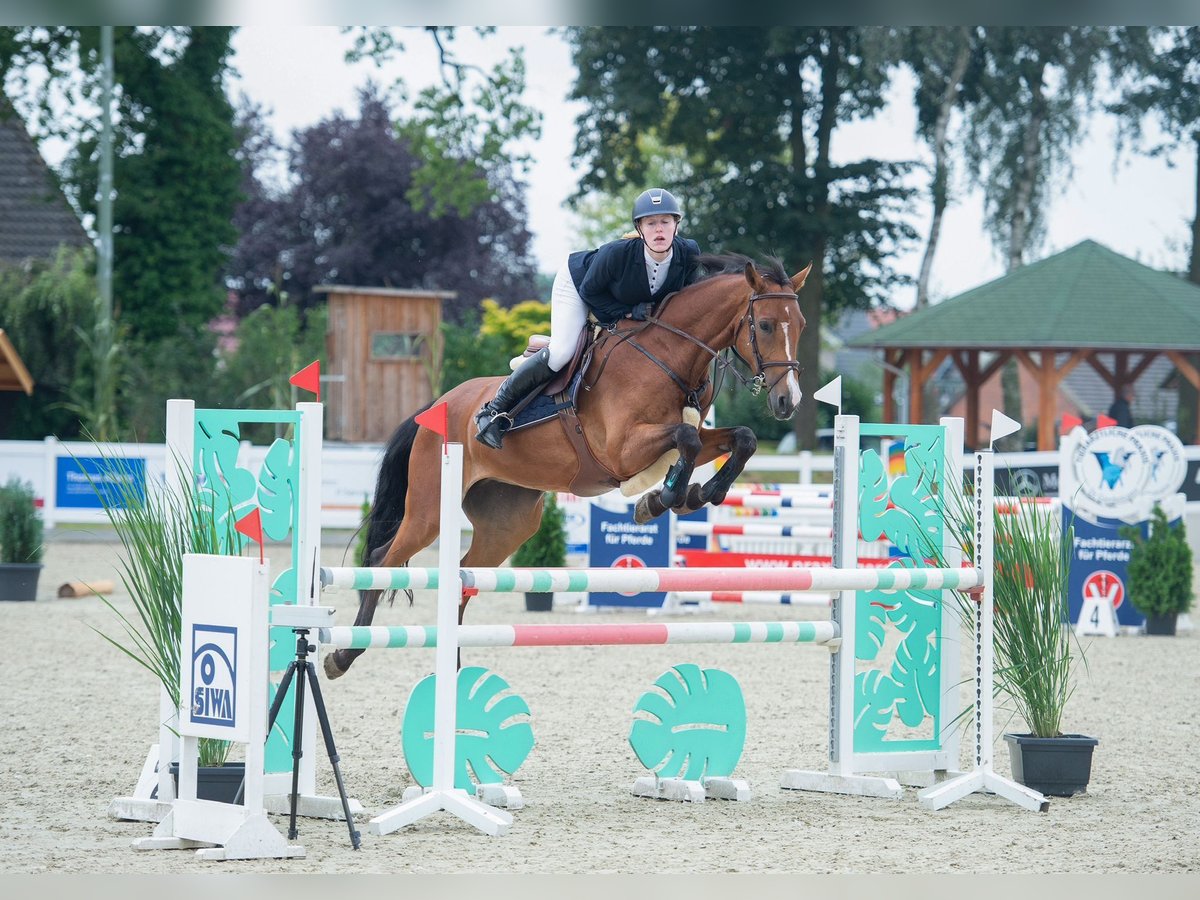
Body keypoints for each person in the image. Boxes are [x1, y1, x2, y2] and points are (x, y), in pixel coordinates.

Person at [474, 187, 703, 449]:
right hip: (578, 285)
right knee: (562, 352)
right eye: (651, 223)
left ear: (677, 225)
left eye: (665, 221)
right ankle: (493, 412)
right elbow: (590, 292)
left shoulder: (689, 254)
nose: (659, 230)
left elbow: (681, 301)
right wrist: (626, 312)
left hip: (616, 297)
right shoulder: (617, 253)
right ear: (640, 229)